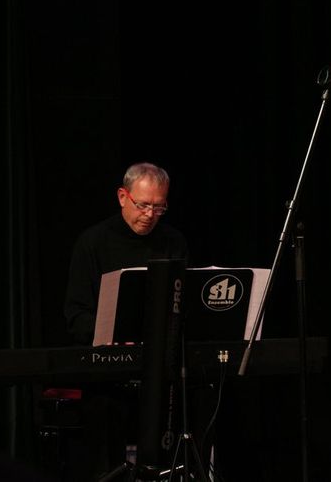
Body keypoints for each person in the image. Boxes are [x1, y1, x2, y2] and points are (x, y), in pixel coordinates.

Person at [62, 162, 188, 480]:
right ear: (122, 197)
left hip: (160, 369)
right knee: (105, 417)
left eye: (159, 207)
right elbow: (76, 316)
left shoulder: (172, 242)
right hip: (107, 371)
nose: (150, 215)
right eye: (143, 205)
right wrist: (113, 336)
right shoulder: (93, 242)